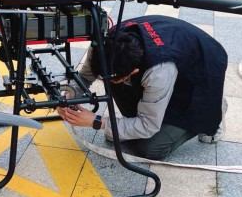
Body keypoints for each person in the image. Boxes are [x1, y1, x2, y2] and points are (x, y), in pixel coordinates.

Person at [58, 16, 228, 161]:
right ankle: (159, 107)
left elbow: (148, 126)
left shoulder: (158, 71)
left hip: (202, 72)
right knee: (123, 127)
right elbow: (85, 76)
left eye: (117, 79)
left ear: (133, 72)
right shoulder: (103, 46)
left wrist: (98, 122)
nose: (104, 80)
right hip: (175, 54)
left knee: (151, 148)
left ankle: (214, 107)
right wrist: (69, 96)